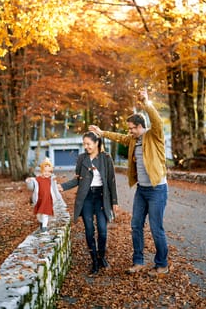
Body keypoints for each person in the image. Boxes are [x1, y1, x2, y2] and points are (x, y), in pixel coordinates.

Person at [89, 89, 169, 276]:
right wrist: (102, 133)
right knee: (135, 225)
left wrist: (146, 103)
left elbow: (156, 120)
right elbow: (119, 137)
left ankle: (162, 264)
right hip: (142, 190)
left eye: (133, 128)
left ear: (141, 126)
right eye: (129, 129)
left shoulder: (154, 135)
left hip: (157, 189)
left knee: (156, 228)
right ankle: (138, 261)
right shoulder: (133, 140)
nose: (130, 131)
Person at [58, 131, 118, 274]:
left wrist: (114, 201)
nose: (86, 146)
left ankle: (101, 256)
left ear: (96, 142)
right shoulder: (81, 158)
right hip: (86, 198)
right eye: (84, 144)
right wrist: (63, 186)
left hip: (101, 197)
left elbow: (111, 181)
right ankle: (94, 261)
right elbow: (77, 179)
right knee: (89, 230)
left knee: (103, 231)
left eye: (88, 144)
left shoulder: (106, 158)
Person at [26, 157, 66, 233]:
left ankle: (44, 227)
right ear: (42, 171)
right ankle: (41, 223)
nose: (47, 173)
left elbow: (55, 189)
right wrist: (28, 181)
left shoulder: (51, 180)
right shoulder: (38, 179)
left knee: (45, 213)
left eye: (49, 172)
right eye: (45, 171)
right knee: (39, 214)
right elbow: (31, 184)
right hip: (40, 199)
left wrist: (58, 197)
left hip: (48, 199)